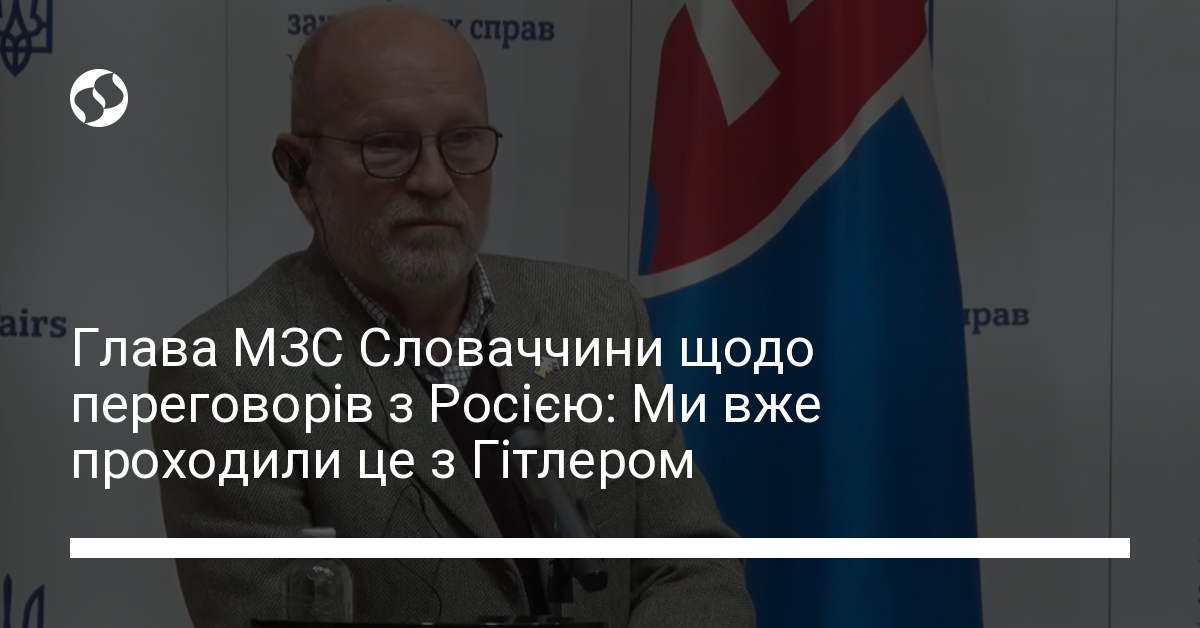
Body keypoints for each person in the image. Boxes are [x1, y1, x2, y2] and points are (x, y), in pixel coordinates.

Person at [149, 5, 754, 628]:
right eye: (387, 145)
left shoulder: (597, 315)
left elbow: (693, 570)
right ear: (299, 173)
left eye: (462, 139)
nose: (435, 180)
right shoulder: (224, 375)